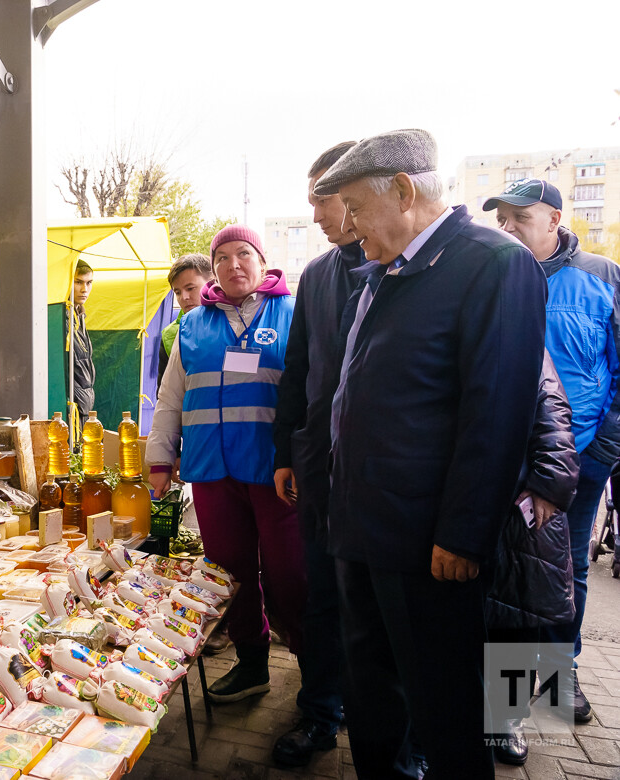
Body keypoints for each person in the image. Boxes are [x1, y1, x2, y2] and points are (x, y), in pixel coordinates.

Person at [315, 128, 546, 778]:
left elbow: (496, 414)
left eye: (356, 207)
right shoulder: (386, 272)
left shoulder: (492, 265)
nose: (350, 226)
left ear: (405, 191)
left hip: (429, 546)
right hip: (362, 529)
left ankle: (534, 716)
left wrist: (465, 535)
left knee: (445, 711)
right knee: (371, 699)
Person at [146, 225, 306, 703]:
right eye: (223, 258)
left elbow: (313, 393)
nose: (234, 265)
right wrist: (159, 456)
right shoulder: (193, 325)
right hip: (212, 470)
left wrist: (303, 457)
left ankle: (316, 670)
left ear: (262, 261)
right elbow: (171, 396)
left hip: (275, 471)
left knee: (291, 575)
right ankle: (252, 662)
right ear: (213, 268)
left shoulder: (295, 313)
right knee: (227, 575)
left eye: (244, 254)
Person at [485, 178, 620, 724]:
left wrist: (603, 448)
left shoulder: (601, 276)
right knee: (514, 577)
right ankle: (509, 713)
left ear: (555, 220)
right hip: (507, 458)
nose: (509, 227)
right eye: (503, 219)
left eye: (521, 217)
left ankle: (561, 679)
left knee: (568, 573)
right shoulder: (492, 275)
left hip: (581, 458)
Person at [269, 140, 360, 767]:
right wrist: (291, 450)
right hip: (331, 472)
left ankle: (511, 725)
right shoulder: (324, 275)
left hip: (546, 476)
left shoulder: (490, 264)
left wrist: (559, 470)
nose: (317, 215)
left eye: (524, 216)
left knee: (542, 601)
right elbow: (301, 373)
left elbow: (524, 387)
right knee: (326, 597)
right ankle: (326, 711)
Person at [484, 351, 578, 767]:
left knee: (515, 619)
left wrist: (549, 486)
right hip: (458, 500)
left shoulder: (526, 341)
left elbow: (554, 413)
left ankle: (505, 720)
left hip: (516, 504)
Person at [157, 254, 214, 394]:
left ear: (213, 282)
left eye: (190, 288)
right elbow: (164, 393)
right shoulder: (169, 334)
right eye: (177, 292)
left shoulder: (234, 321)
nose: (184, 297)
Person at [69, 260, 96, 414]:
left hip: (82, 407)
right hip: (71, 409)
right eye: (78, 282)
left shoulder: (79, 314)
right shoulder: (62, 316)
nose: (84, 289)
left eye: (89, 282)